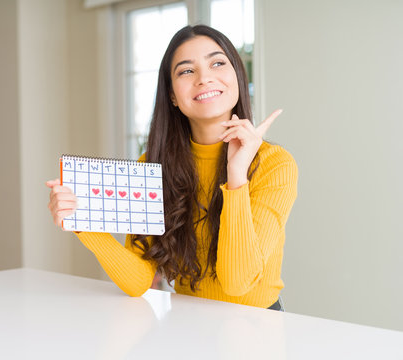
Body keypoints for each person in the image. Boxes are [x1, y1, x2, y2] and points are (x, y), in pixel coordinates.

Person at [46, 24, 298, 311]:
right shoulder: (152, 167)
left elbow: (238, 283)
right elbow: (139, 280)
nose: (204, 78)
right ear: (173, 96)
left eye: (217, 63)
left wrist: (237, 176)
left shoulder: (275, 164)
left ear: (237, 78)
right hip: (187, 324)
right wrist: (81, 218)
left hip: (259, 328)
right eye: (186, 71)